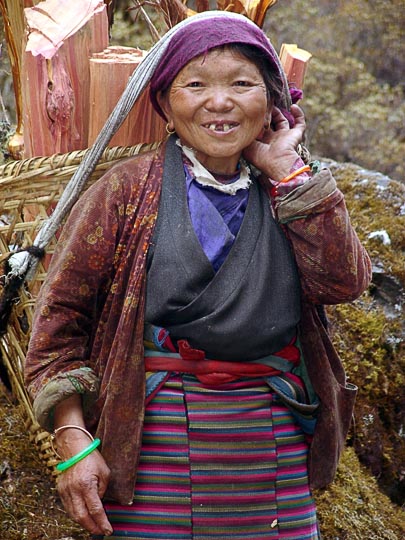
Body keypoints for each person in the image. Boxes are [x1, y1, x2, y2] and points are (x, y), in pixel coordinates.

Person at [24, 11, 371, 540]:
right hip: (152, 440)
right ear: (164, 102)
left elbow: (344, 283)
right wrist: (73, 440)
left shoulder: (292, 187)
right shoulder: (125, 191)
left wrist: (289, 174)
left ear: (273, 101)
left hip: (271, 438)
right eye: (195, 84)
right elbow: (58, 324)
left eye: (242, 83)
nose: (220, 102)